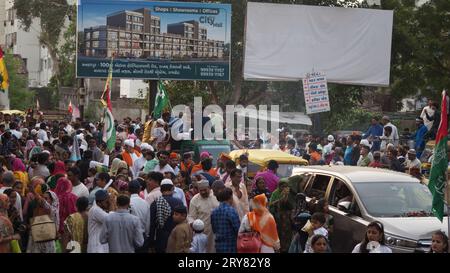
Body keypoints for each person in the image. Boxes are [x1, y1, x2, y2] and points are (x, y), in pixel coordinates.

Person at [149, 179, 183, 253]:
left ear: (160, 190)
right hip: (176, 237)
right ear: (172, 189)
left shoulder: (155, 203)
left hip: (160, 238)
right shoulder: (178, 202)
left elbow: (152, 225)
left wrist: (151, 243)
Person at [187, 180, 219, 253]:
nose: (203, 192)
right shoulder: (195, 200)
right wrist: (193, 224)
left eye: (205, 190)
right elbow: (191, 216)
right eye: (200, 190)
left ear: (209, 188)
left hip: (215, 232)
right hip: (201, 233)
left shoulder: (216, 196)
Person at [211, 188, 240, 253]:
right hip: (231, 246)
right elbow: (238, 229)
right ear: (230, 197)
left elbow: (214, 229)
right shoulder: (231, 211)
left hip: (218, 246)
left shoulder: (213, 212)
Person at [128, 179, 150, 252]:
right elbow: (148, 222)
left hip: (129, 236)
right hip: (142, 235)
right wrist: (146, 235)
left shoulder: (127, 203)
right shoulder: (145, 203)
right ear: (139, 189)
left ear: (128, 190)